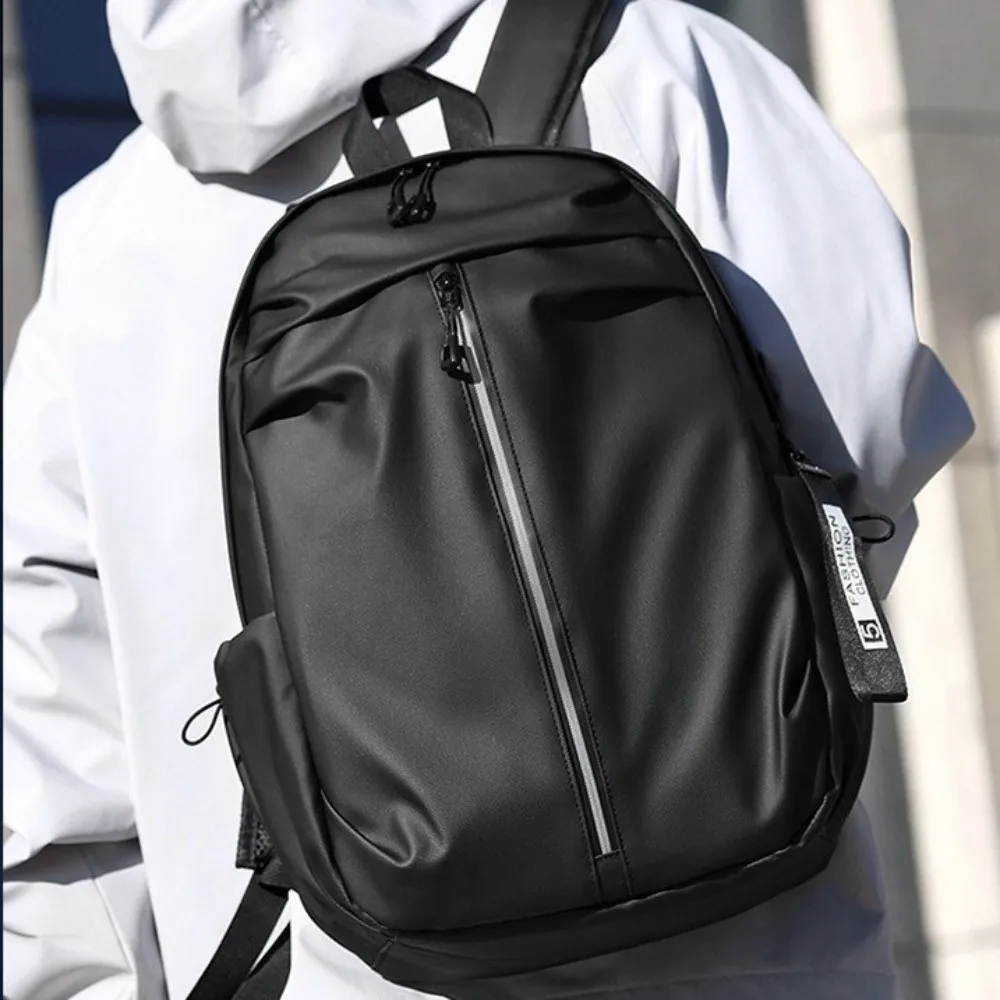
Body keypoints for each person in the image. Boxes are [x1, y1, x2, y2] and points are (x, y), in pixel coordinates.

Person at [3, 1, 974, 998]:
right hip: (751, 940)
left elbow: (51, 734)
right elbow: (867, 420)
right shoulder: (650, 59)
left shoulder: (104, 245)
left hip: (346, 961)